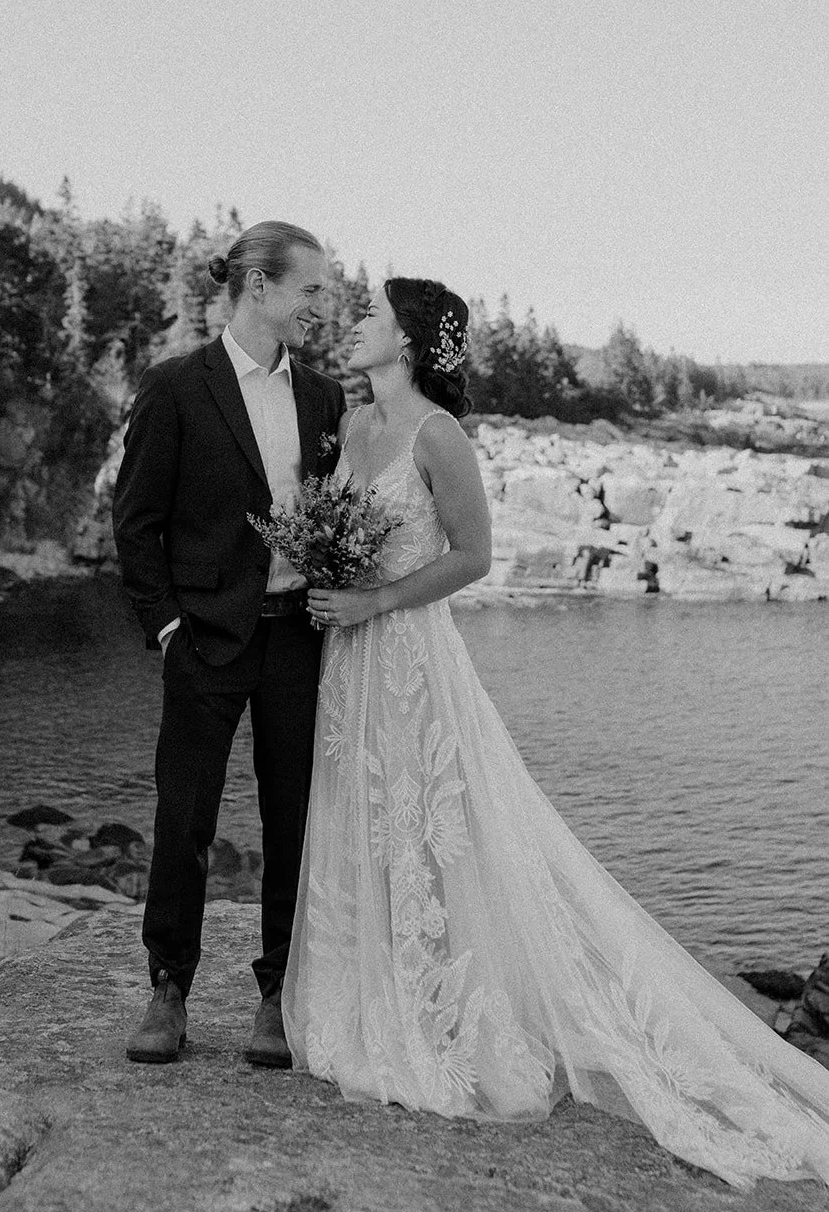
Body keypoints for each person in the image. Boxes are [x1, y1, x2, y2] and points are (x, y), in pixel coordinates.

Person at [283, 277, 829, 1191]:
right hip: (349, 666)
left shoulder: (436, 434)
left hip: (410, 658)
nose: (355, 324)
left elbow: (474, 555)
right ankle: (365, 999)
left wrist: (373, 596)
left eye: (372, 314)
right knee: (360, 820)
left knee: (430, 828)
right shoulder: (352, 422)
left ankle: (443, 1016)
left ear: (410, 341)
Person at [112, 220, 345, 1067]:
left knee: (295, 821)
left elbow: (330, 513)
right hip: (205, 636)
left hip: (297, 641)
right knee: (184, 816)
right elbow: (136, 523)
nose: (320, 304)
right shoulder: (176, 385)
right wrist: (167, 626)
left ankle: (277, 994)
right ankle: (168, 988)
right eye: (309, 289)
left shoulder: (324, 398)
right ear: (258, 285)